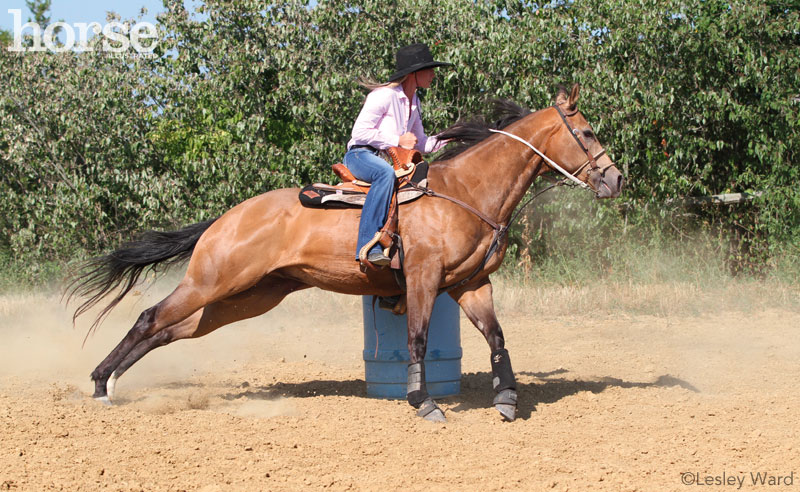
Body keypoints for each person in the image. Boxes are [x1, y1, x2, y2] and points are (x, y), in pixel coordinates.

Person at [344, 43, 452, 267]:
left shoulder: (415, 102)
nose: (433, 74)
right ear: (414, 73)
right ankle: (367, 245)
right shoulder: (384, 95)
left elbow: (422, 143)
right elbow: (359, 132)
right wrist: (397, 141)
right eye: (429, 69)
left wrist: (454, 135)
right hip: (360, 155)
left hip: (388, 159)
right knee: (384, 175)